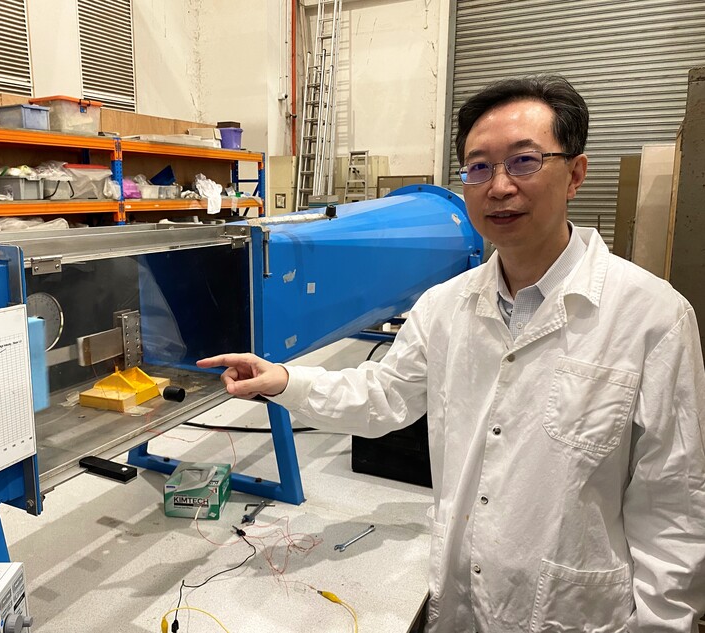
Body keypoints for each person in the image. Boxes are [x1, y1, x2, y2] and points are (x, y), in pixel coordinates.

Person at [197, 75, 705, 632]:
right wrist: (283, 382)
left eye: (525, 162)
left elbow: (674, 508)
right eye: (479, 167)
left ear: (576, 175)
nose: (499, 186)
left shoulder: (652, 316)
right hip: (461, 601)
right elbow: (385, 396)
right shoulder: (444, 306)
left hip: (572, 613)